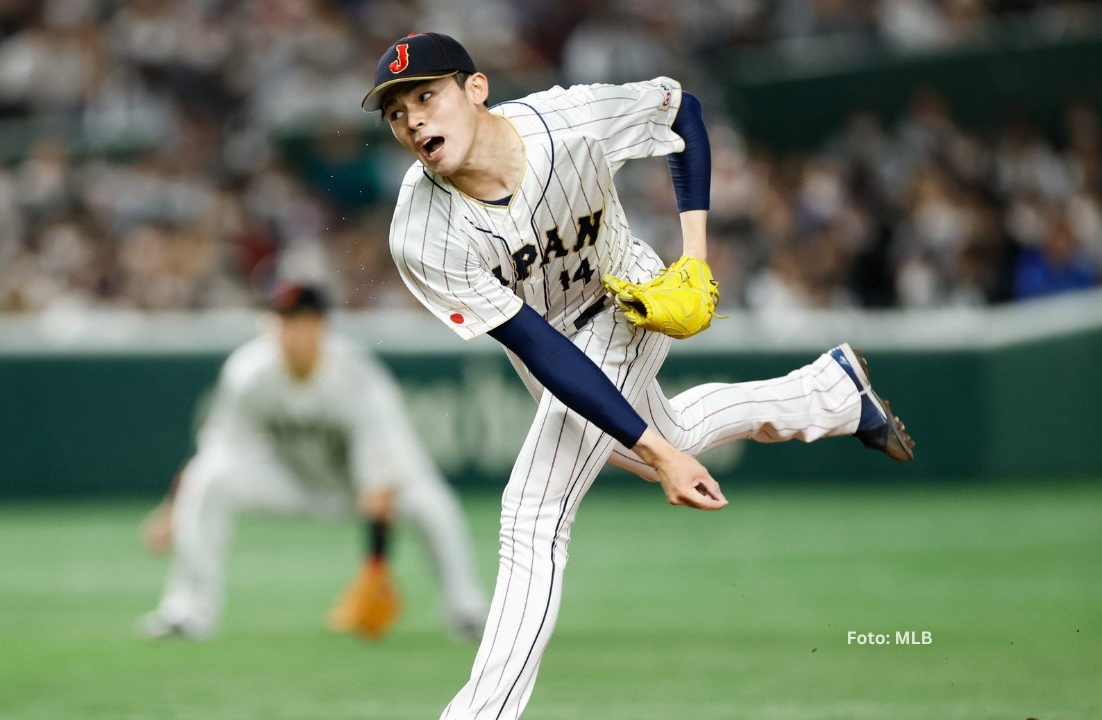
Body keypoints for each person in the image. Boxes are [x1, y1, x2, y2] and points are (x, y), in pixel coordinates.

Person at [361, 32, 914, 719]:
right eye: (395, 111)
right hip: (554, 343)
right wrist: (661, 452)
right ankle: (831, 393)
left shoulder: (572, 121)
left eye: (426, 94)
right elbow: (540, 350)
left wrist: (697, 257)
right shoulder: (421, 231)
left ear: (476, 90)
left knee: (532, 512)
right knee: (668, 433)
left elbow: (684, 110)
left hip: (627, 298)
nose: (413, 118)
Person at [139, 282, 489, 640]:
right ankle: (188, 612)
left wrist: (375, 565)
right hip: (294, 483)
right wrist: (174, 507)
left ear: (320, 325)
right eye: (280, 320)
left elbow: (382, 482)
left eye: (298, 320)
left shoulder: (355, 374)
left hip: (358, 487)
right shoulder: (249, 371)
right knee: (210, 478)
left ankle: (466, 609)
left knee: (432, 503)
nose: (287, 331)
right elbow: (220, 447)